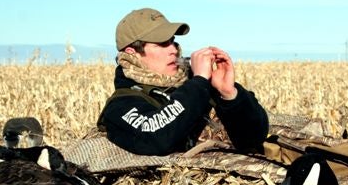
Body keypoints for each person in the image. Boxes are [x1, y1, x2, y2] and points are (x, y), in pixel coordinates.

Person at [97, 8, 269, 156]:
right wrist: (199, 82)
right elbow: (156, 137)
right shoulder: (122, 104)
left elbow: (255, 137)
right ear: (132, 53)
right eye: (161, 44)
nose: (173, 49)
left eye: (172, 41)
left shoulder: (200, 85)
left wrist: (230, 94)